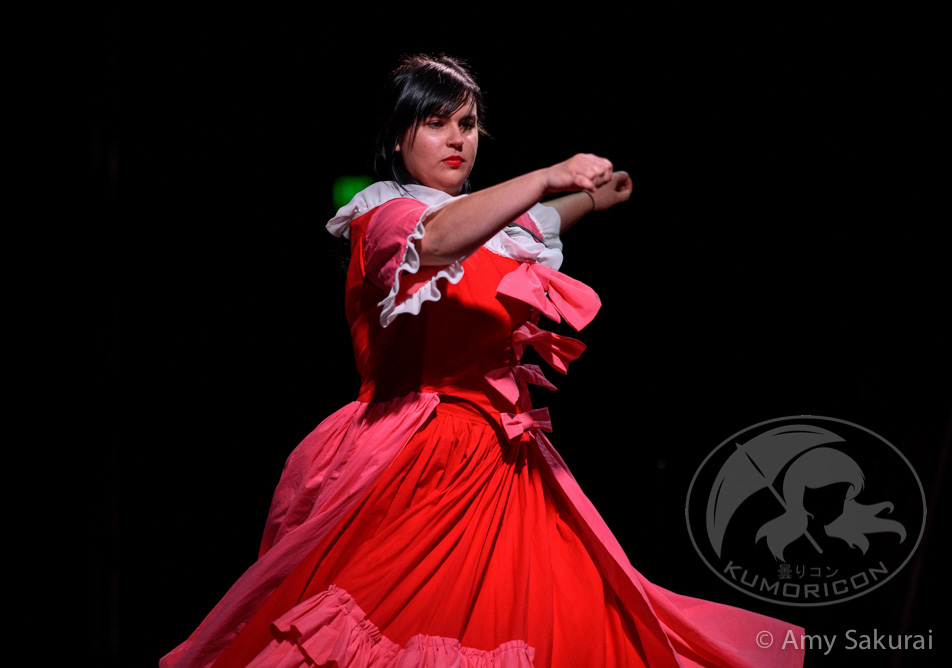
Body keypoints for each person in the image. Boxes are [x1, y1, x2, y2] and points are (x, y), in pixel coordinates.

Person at [161, 54, 804, 668]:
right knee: (403, 630)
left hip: (507, 464)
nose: (457, 139)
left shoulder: (493, 229)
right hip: (416, 459)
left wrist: (593, 197)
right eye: (435, 123)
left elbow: (531, 225)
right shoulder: (384, 217)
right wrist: (546, 175)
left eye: (467, 124)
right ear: (397, 138)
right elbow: (439, 238)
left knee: (573, 620)